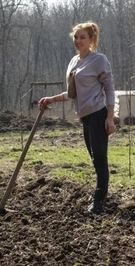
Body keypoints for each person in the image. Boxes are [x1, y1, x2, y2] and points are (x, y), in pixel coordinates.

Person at [39, 22, 116, 214]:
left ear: (91, 40)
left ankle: (98, 201)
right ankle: (101, 195)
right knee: (94, 158)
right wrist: (52, 99)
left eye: (82, 37)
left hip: (98, 114)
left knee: (99, 158)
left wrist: (110, 117)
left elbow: (109, 88)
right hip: (85, 118)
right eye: (76, 37)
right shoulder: (74, 62)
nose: (78, 41)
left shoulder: (99, 60)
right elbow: (73, 93)